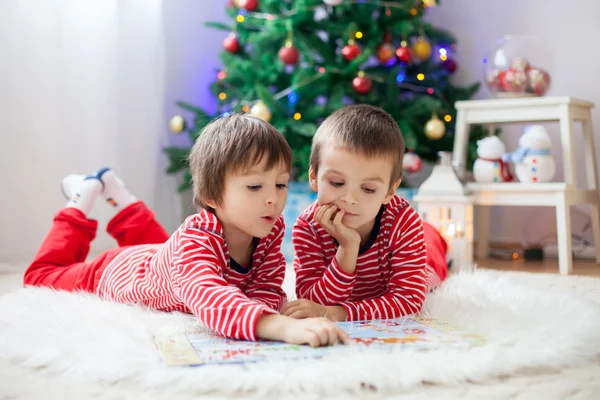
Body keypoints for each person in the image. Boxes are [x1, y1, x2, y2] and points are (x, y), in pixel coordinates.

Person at [24, 113, 348, 347]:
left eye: (279, 184)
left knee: (162, 250)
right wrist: (277, 325)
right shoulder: (196, 240)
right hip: (114, 270)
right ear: (211, 197)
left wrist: (272, 309)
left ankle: (117, 192)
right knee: (40, 277)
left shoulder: (268, 229)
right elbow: (210, 297)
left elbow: (264, 285)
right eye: (254, 186)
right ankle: (83, 195)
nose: (272, 199)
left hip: (162, 261)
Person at [282, 105, 448, 321]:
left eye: (368, 189)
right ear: (313, 177)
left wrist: (339, 313)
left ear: (389, 190)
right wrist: (347, 249)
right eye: (336, 182)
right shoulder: (308, 227)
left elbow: (408, 301)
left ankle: (435, 237)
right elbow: (312, 301)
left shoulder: (403, 221)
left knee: (433, 259)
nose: (349, 199)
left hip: (423, 258)